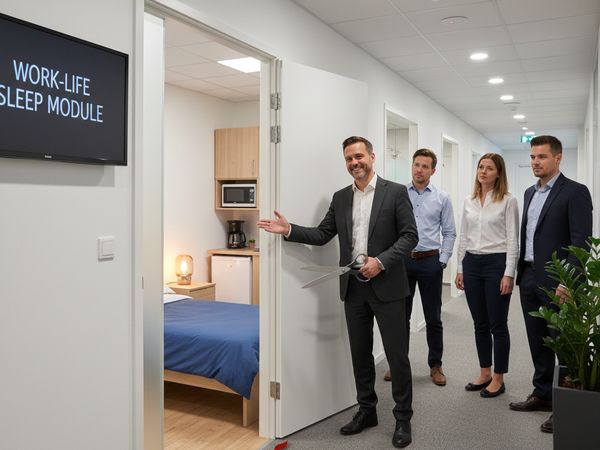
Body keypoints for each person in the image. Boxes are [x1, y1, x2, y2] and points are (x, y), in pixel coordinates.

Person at [257, 136, 418, 448]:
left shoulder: (396, 192)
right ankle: (367, 410)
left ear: (372, 156)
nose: (354, 163)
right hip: (353, 286)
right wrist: (289, 230)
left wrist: (381, 262)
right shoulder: (341, 197)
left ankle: (402, 418)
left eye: (359, 156)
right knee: (360, 354)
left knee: (397, 356)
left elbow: (410, 236)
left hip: (388, 287)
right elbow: (322, 234)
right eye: (348, 159)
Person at [509, 135, 592, 434]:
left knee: (564, 344)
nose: (535, 162)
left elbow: (580, 243)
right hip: (529, 276)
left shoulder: (575, 192)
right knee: (538, 340)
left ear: (558, 158)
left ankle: (567, 405)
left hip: (559, 281)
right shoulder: (530, 192)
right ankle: (543, 393)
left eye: (542, 157)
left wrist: (567, 282)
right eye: (532, 157)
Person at [383, 148, 456, 386]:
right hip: (402, 262)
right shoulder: (398, 194)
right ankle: (398, 364)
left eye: (425, 166)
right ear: (412, 166)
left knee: (433, 317)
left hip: (430, 261)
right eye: (416, 164)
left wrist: (442, 260)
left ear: (433, 170)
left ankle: (436, 365)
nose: (419, 170)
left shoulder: (442, 198)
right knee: (399, 316)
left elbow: (449, 232)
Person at [455, 153, 519, 399]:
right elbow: (463, 236)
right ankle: (484, 373)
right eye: (480, 167)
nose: (483, 171)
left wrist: (509, 273)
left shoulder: (508, 201)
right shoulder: (469, 200)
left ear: (498, 173)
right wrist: (460, 268)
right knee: (479, 323)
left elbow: (512, 240)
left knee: (497, 324)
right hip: (471, 263)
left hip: (496, 263)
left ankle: (499, 378)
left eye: (489, 168)